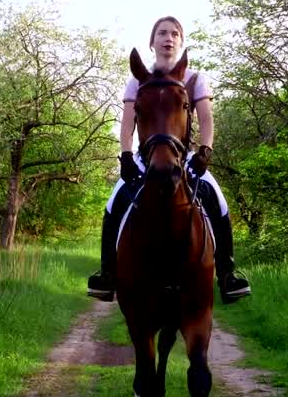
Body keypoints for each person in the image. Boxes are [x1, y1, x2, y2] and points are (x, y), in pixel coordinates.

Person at [87, 16, 251, 304]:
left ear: (181, 41)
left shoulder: (195, 78)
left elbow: (206, 119)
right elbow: (127, 124)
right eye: (162, 33)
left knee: (219, 202)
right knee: (113, 204)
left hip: (186, 158)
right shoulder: (137, 79)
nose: (169, 38)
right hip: (145, 158)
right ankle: (107, 275)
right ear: (152, 42)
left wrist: (205, 151)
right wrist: (125, 155)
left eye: (175, 33)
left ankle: (227, 274)